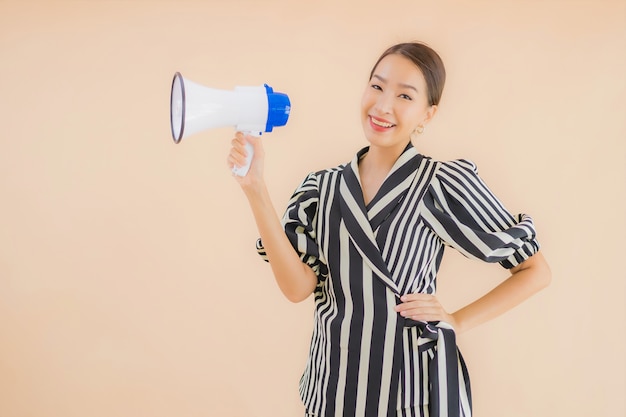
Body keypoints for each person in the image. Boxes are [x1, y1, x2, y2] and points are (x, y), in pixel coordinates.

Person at [227, 42, 551, 417]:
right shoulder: (322, 188)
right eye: (377, 87)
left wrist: (456, 321)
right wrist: (255, 188)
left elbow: (535, 270)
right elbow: (298, 288)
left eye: (404, 96)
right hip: (333, 388)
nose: (382, 106)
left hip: (411, 392)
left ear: (427, 114)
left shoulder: (440, 183)